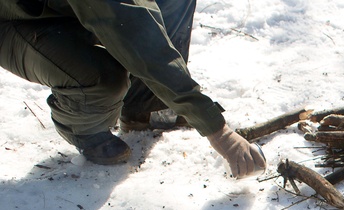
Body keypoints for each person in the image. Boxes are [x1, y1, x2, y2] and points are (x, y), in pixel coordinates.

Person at [0, 0, 265, 177]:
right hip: (16, 20)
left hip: (67, 9)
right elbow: (137, 35)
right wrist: (219, 131)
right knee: (102, 79)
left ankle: (145, 108)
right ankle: (83, 129)